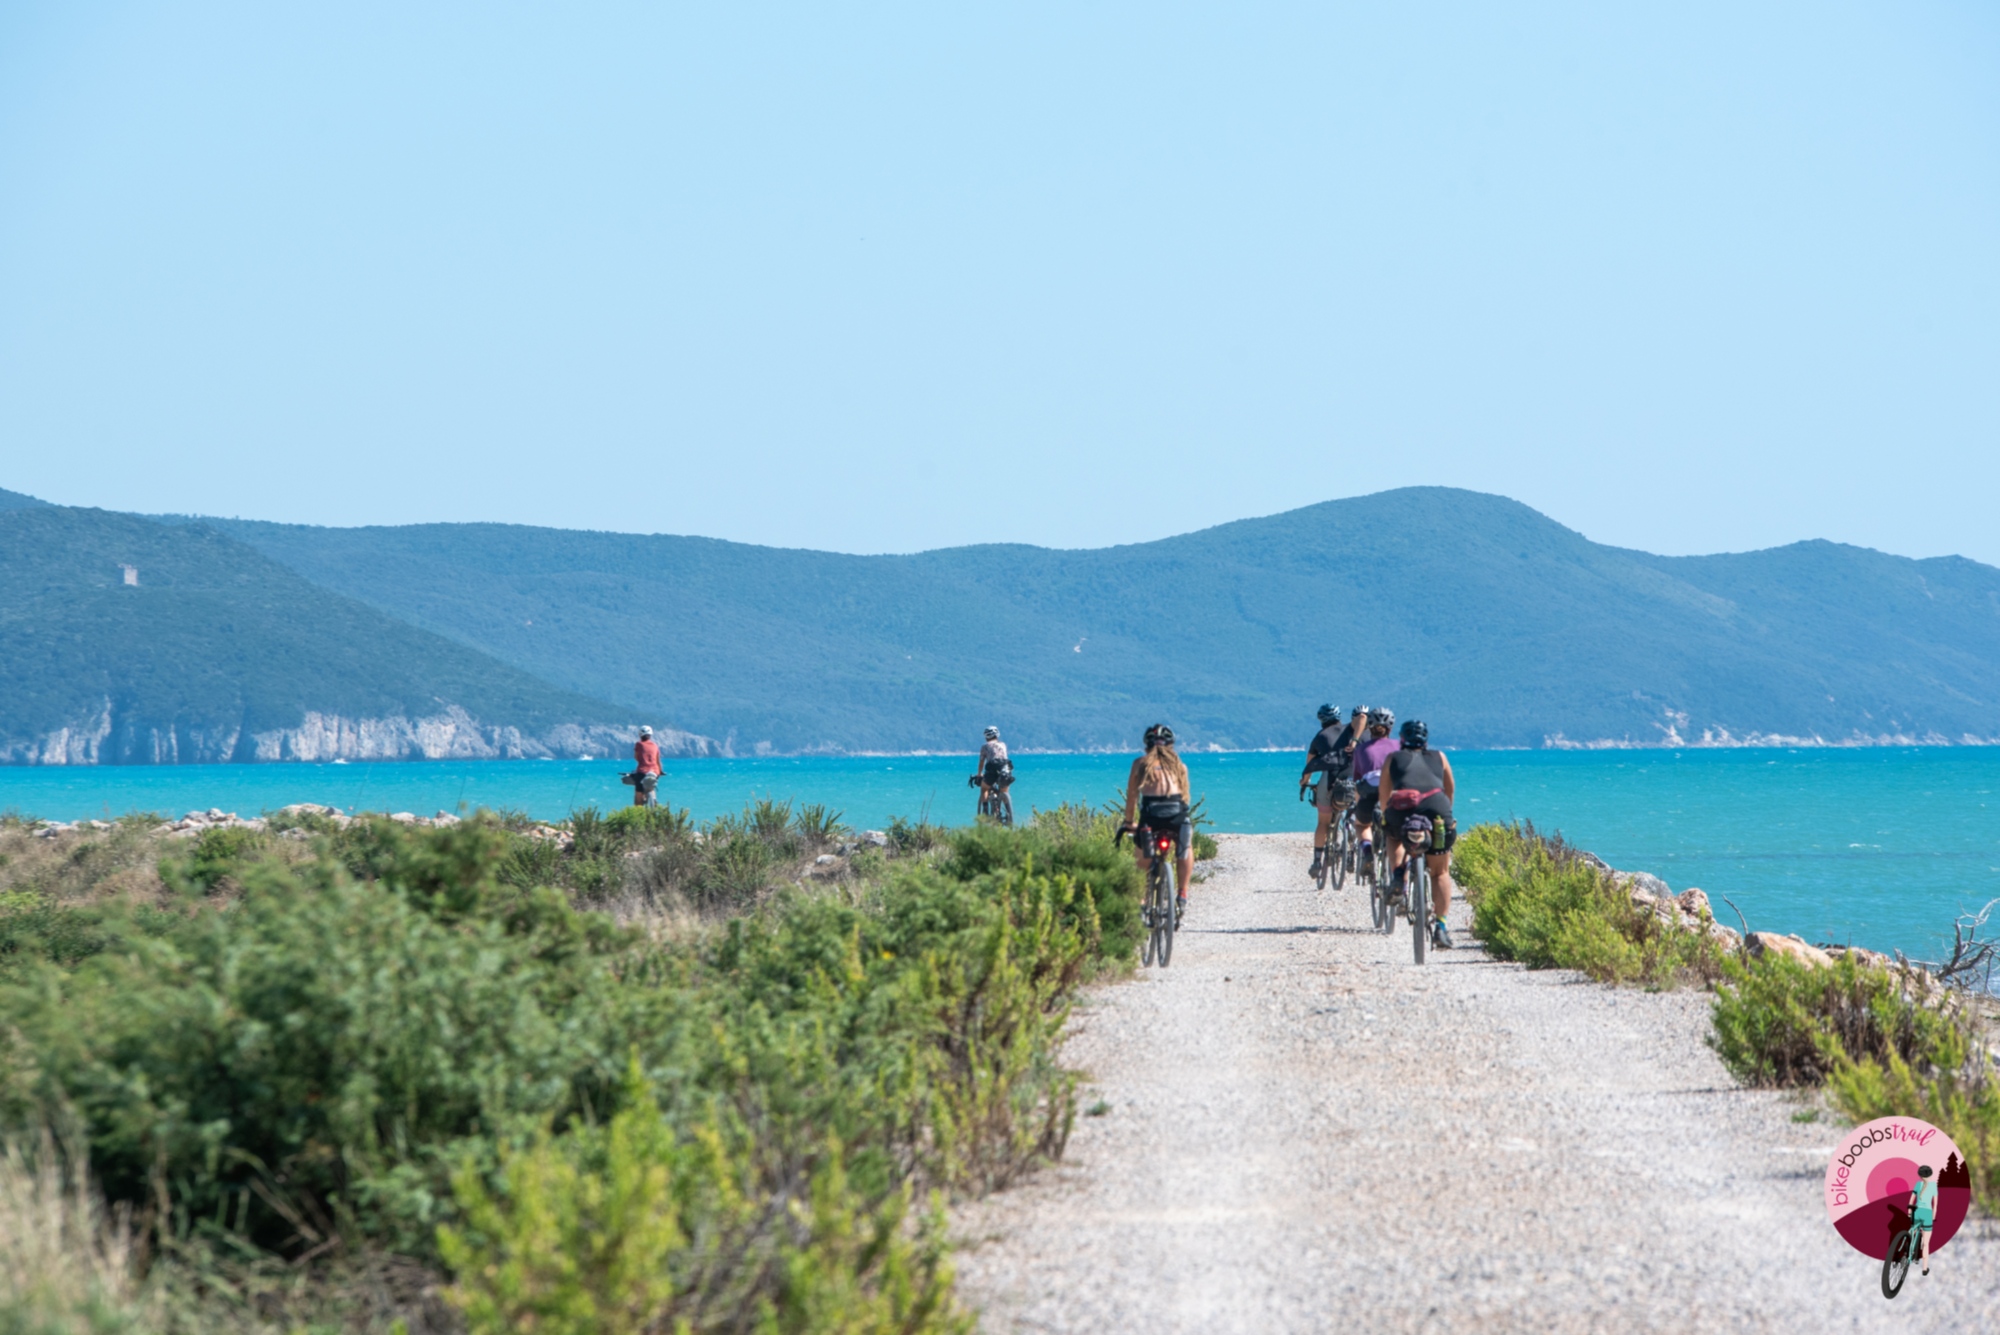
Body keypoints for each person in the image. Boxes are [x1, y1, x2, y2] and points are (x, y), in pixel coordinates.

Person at [1381, 719, 1458, 949]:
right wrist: (1445, 814)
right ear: (1426, 740)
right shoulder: (1440, 757)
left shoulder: (1393, 758)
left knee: (1393, 835)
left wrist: (1387, 816)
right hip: (1437, 808)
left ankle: (1397, 876)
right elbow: (1450, 788)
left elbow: (1384, 794)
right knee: (1440, 872)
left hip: (1402, 807)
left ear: (1402, 739)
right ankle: (1441, 927)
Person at [1122, 723, 1194, 923]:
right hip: (1177, 816)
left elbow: (1132, 797)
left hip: (1151, 818)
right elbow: (1185, 797)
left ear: (1147, 745)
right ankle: (1182, 893)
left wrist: (1129, 822)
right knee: (1186, 847)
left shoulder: (1140, 764)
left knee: (1142, 860)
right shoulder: (1180, 765)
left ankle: (1143, 901)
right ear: (1171, 745)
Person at [1299, 703, 1366, 880]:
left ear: (1321, 720)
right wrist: (1354, 739)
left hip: (1329, 780)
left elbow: (1309, 766)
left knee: (1323, 822)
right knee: (1355, 813)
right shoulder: (1349, 729)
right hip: (1352, 779)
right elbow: (1362, 717)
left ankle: (1317, 861)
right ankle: (1352, 848)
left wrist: (1304, 783)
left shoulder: (1319, 736)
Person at [1349, 707, 1399, 868]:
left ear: (1369, 728)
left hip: (1370, 792)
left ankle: (1367, 851)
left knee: (1362, 825)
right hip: (1393, 793)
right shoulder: (1399, 746)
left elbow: (1357, 780)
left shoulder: (1361, 749)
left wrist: (1357, 805)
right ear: (1390, 729)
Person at [971, 726, 1014, 822]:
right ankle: (1009, 814)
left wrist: (979, 774)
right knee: (1004, 791)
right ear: (997, 735)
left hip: (992, 769)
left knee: (984, 788)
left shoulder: (985, 747)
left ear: (986, 737)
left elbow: (982, 762)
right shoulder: (1003, 745)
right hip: (1005, 768)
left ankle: (986, 814)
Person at [1910, 1164, 1938, 1276]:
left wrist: (1909, 1212)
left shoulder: (1917, 1184)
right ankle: (1924, 1269)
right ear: (1930, 1174)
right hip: (1927, 1214)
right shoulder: (1933, 1186)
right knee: (1926, 1244)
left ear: (1920, 1176)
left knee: (1913, 1233)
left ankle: (1909, 1252)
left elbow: (1911, 1201)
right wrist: (1934, 1217)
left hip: (1916, 1212)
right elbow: (1935, 1204)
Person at [631, 725, 662, 807]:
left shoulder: (639, 744)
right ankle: (653, 800)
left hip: (643, 771)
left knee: (638, 793)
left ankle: (638, 811)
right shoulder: (655, 745)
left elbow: (636, 757)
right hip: (655, 771)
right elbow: (658, 760)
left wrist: (642, 761)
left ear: (640, 735)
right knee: (652, 786)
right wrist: (660, 771)